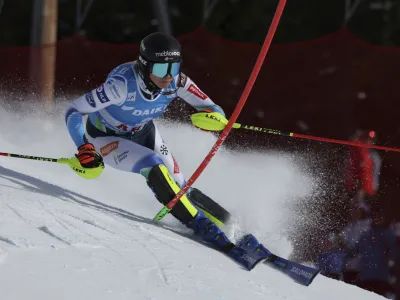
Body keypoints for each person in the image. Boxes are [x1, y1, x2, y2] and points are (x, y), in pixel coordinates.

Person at [64, 32, 239, 254]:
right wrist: (83, 146)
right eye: (160, 70)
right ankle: (203, 228)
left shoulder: (177, 82)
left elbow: (213, 109)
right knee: (153, 164)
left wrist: (214, 119)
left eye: (173, 68)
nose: (167, 77)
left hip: (144, 132)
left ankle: (232, 224)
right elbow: (73, 110)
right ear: (145, 67)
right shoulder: (120, 86)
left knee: (181, 185)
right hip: (106, 138)